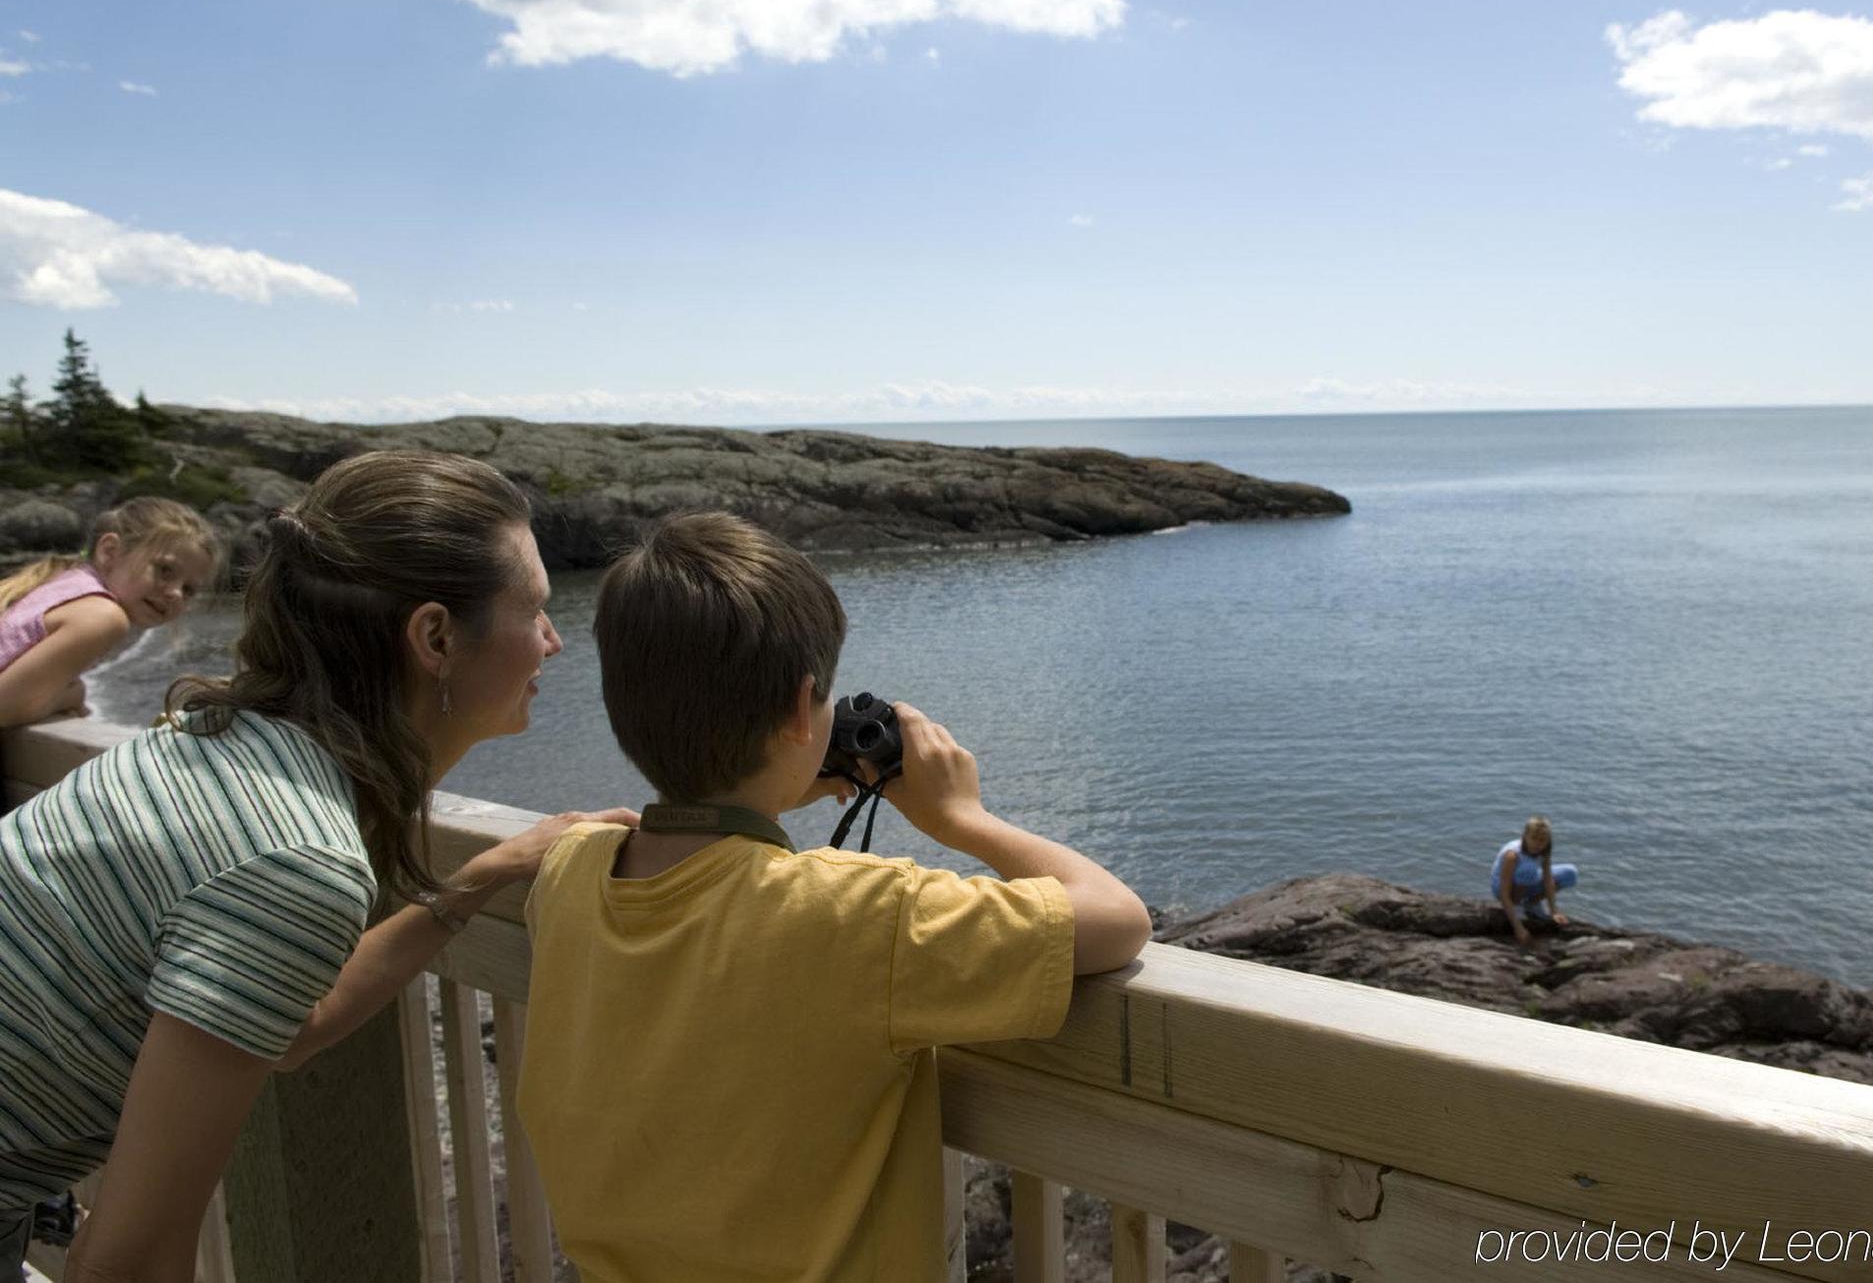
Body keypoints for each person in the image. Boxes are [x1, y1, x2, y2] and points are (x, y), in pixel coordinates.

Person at [0, 451, 635, 1283]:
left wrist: (482, 876)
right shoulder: (295, 859)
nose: (553, 642)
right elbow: (129, 1259)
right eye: (540, 611)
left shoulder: (212, 739)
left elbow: (285, 1028)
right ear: (436, 636)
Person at [517, 511, 1153, 1282]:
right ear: (799, 711)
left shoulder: (570, 873)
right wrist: (964, 819)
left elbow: (694, 870)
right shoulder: (863, 918)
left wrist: (768, 791)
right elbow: (1118, 920)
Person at [0, 497, 221, 729]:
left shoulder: (64, 584)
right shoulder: (103, 617)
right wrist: (72, 694)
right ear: (109, 551)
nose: (175, 593)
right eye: (164, 570)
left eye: (189, 589)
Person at [1492, 815, 1577, 945]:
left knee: (1570, 873)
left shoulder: (1545, 850)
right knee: (1529, 870)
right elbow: (1504, 893)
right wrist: (1518, 927)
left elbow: (1548, 879)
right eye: (1534, 839)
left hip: (1526, 879)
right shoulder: (1512, 855)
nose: (1538, 844)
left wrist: (1554, 911)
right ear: (1525, 836)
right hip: (1503, 888)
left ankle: (1531, 903)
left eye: (1543, 840)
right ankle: (1517, 904)